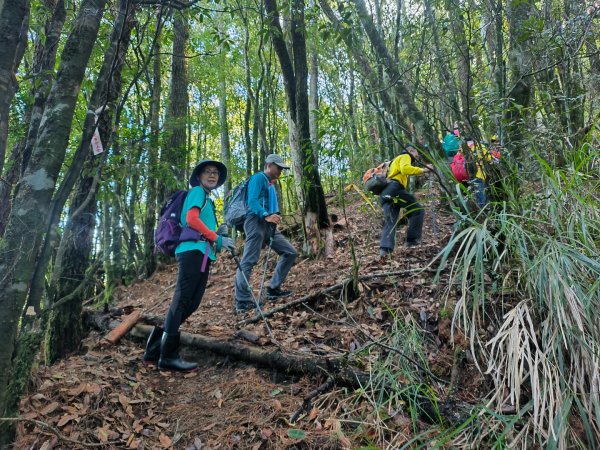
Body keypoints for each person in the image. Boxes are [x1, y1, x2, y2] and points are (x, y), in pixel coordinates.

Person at [143, 160, 234, 372]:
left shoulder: (207, 200)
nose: (212, 175)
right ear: (199, 176)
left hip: (201, 254)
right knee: (182, 300)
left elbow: (203, 227)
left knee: (191, 303)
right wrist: (216, 238)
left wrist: (218, 235)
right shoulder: (197, 193)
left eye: (215, 173)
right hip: (191, 252)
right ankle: (168, 356)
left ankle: (155, 349)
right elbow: (191, 219)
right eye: (207, 172)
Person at [234, 154, 298, 313]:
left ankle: (273, 290)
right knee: (249, 260)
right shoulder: (258, 178)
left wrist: (273, 216)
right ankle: (242, 301)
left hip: (268, 225)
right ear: (269, 165)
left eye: (282, 168)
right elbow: (252, 202)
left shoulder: (270, 183)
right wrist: (265, 214)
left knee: (289, 252)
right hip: (255, 221)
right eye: (279, 167)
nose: (281, 171)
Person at [379, 145, 433, 256]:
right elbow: (405, 169)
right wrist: (424, 169)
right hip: (395, 189)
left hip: (385, 193)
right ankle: (412, 242)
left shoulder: (393, 162)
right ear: (411, 151)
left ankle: (385, 251)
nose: (417, 155)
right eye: (416, 152)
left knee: (390, 221)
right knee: (417, 210)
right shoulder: (405, 156)